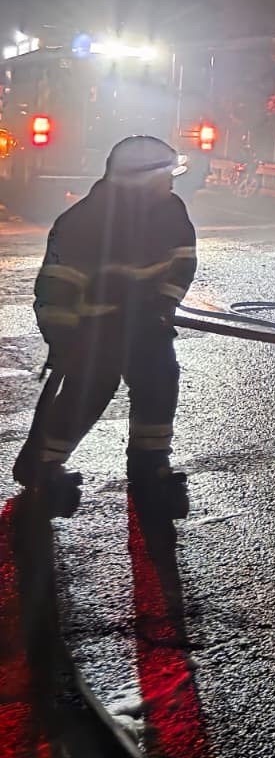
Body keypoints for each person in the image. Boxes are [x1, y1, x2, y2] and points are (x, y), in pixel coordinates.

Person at [12, 136, 198, 513]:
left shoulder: (171, 211)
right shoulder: (83, 223)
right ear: (141, 181)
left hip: (146, 325)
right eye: (166, 176)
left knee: (160, 383)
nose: (172, 184)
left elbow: (183, 262)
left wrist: (164, 303)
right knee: (88, 393)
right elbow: (55, 290)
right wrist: (65, 341)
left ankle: (150, 466)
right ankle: (44, 465)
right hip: (93, 330)